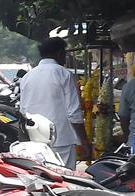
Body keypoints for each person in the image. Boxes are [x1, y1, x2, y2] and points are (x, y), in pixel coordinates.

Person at [19, 38, 91, 169]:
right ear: (59, 53)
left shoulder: (27, 77)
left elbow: (23, 112)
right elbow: (73, 113)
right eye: (65, 53)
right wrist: (84, 141)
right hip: (61, 140)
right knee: (66, 181)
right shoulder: (64, 74)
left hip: (36, 141)